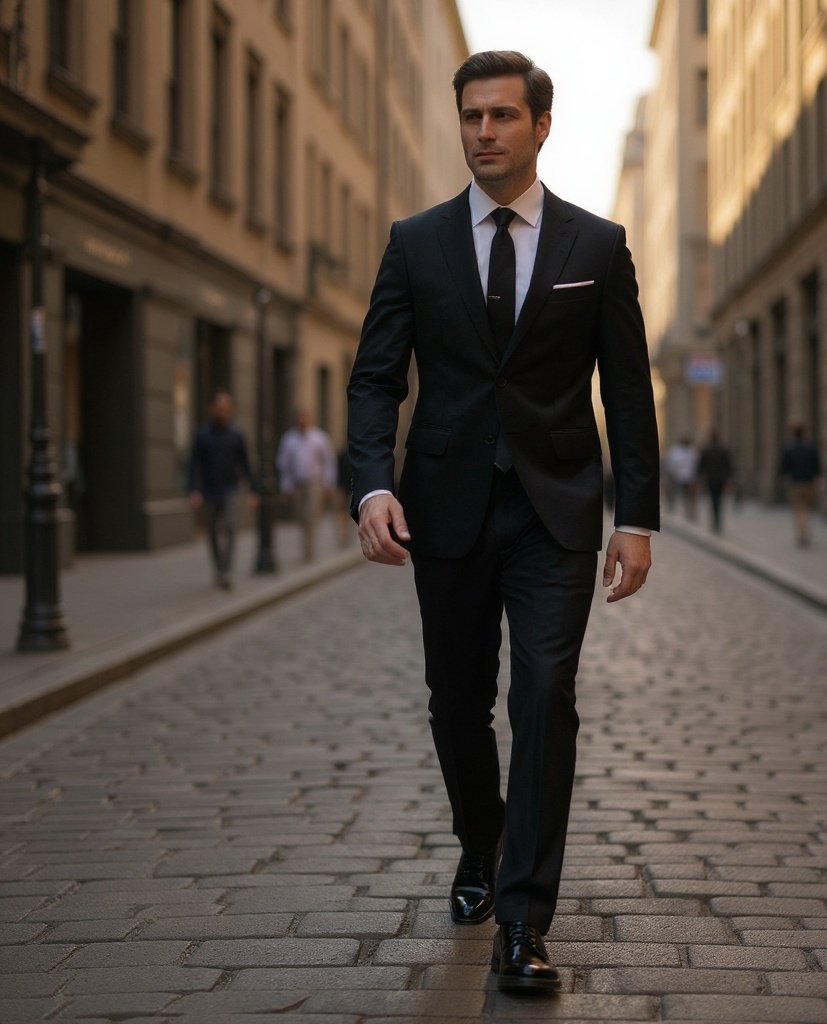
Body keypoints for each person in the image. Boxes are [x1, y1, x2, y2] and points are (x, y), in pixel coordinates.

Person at [347, 50, 660, 992]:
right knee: (457, 703)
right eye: (471, 116)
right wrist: (372, 486)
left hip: (553, 509)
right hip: (443, 508)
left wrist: (636, 517)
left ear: (541, 126)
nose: (483, 132)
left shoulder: (595, 246)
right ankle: (479, 842)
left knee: (545, 694)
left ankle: (524, 919)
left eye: (502, 116)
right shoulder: (416, 242)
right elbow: (375, 378)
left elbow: (628, 391)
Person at [187, 391, 258, 589]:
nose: (222, 411)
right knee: (211, 531)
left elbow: (245, 463)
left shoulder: (236, 434)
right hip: (209, 489)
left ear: (230, 410)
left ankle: (226, 571)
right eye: (219, 408)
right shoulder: (202, 434)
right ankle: (218, 568)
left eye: (226, 408)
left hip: (230, 488)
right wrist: (194, 489)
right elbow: (194, 464)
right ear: (212, 409)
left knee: (229, 527)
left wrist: (252, 490)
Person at [276, 410, 336, 563]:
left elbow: (328, 462)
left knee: (311, 515)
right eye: (299, 419)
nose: (302, 421)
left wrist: (328, 484)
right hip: (297, 483)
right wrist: (285, 487)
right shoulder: (289, 439)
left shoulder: (319, 438)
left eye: (304, 418)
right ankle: (305, 546)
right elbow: (284, 466)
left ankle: (309, 550)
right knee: (301, 516)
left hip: (314, 483)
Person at [777, 422, 822, 546]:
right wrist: (817, 479)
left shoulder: (789, 448)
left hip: (795, 483)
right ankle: (805, 532)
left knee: (798, 509)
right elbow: (817, 466)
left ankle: (802, 534)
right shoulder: (811, 447)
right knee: (806, 508)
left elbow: (784, 467)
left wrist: (784, 480)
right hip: (808, 482)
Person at [697, 428, 733, 533]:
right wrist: (729, 479)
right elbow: (728, 466)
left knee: (713, 499)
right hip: (720, 479)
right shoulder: (723, 450)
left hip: (711, 479)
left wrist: (701, 478)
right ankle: (717, 521)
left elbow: (701, 466)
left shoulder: (706, 450)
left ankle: (715, 521)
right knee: (719, 499)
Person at [664, 435, 698, 519]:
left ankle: (690, 511)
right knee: (675, 493)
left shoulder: (692, 451)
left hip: (689, 477)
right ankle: (672, 506)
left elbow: (695, 465)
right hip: (677, 477)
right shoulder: (675, 451)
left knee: (689, 496)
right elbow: (671, 463)